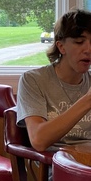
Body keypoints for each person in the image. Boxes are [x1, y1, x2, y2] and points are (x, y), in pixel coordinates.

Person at [17, 8, 91, 153]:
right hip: (55, 162)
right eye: (79, 42)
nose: (88, 49)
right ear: (61, 47)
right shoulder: (33, 80)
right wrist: (87, 101)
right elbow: (38, 140)